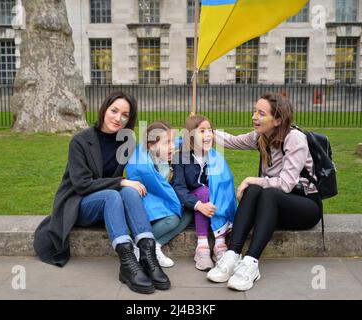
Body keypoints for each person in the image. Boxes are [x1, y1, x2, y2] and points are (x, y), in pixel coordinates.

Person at [33, 91, 170, 294]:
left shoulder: (127, 140)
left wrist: (171, 154)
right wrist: (121, 181)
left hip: (109, 206)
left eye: (124, 114)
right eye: (114, 111)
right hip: (79, 204)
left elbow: (144, 162)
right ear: (104, 109)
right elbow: (82, 184)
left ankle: (148, 255)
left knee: (130, 192)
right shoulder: (80, 141)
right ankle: (127, 263)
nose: (118, 118)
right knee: (115, 193)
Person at [207, 92, 323, 291]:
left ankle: (251, 264)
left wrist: (253, 179)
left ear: (277, 119)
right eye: (255, 111)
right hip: (274, 206)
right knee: (254, 190)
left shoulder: (295, 139)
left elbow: (286, 185)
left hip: (305, 206)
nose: (254, 116)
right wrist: (204, 131)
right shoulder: (261, 137)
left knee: (263, 190)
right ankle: (233, 256)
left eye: (261, 113)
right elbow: (233, 141)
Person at [172, 115, 236, 271]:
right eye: (202, 131)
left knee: (218, 190)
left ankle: (219, 244)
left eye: (210, 130)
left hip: (212, 204)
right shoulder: (181, 157)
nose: (208, 134)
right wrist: (198, 205)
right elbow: (179, 188)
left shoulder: (214, 157)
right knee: (204, 191)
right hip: (191, 202)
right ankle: (202, 247)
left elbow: (224, 185)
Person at [125, 121, 193, 268]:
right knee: (173, 219)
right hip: (148, 208)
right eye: (166, 143)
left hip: (162, 203)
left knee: (189, 211)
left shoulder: (166, 160)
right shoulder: (144, 166)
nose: (172, 147)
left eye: (172, 142)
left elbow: (183, 141)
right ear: (151, 146)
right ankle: (140, 244)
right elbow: (154, 191)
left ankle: (155, 245)